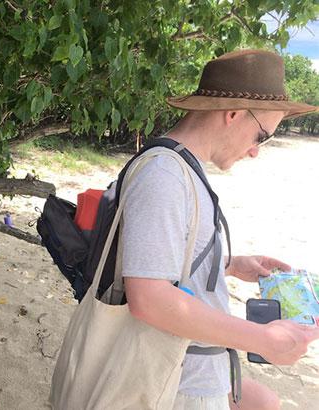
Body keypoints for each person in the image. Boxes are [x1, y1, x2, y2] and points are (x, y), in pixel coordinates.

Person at [119, 49, 319, 410]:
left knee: (266, 403)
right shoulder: (165, 176)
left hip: (193, 371)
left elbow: (159, 259)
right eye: (263, 136)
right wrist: (262, 339)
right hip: (176, 383)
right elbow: (148, 298)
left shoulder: (180, 168)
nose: (257, 151)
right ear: (233, 114)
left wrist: (227, 263)